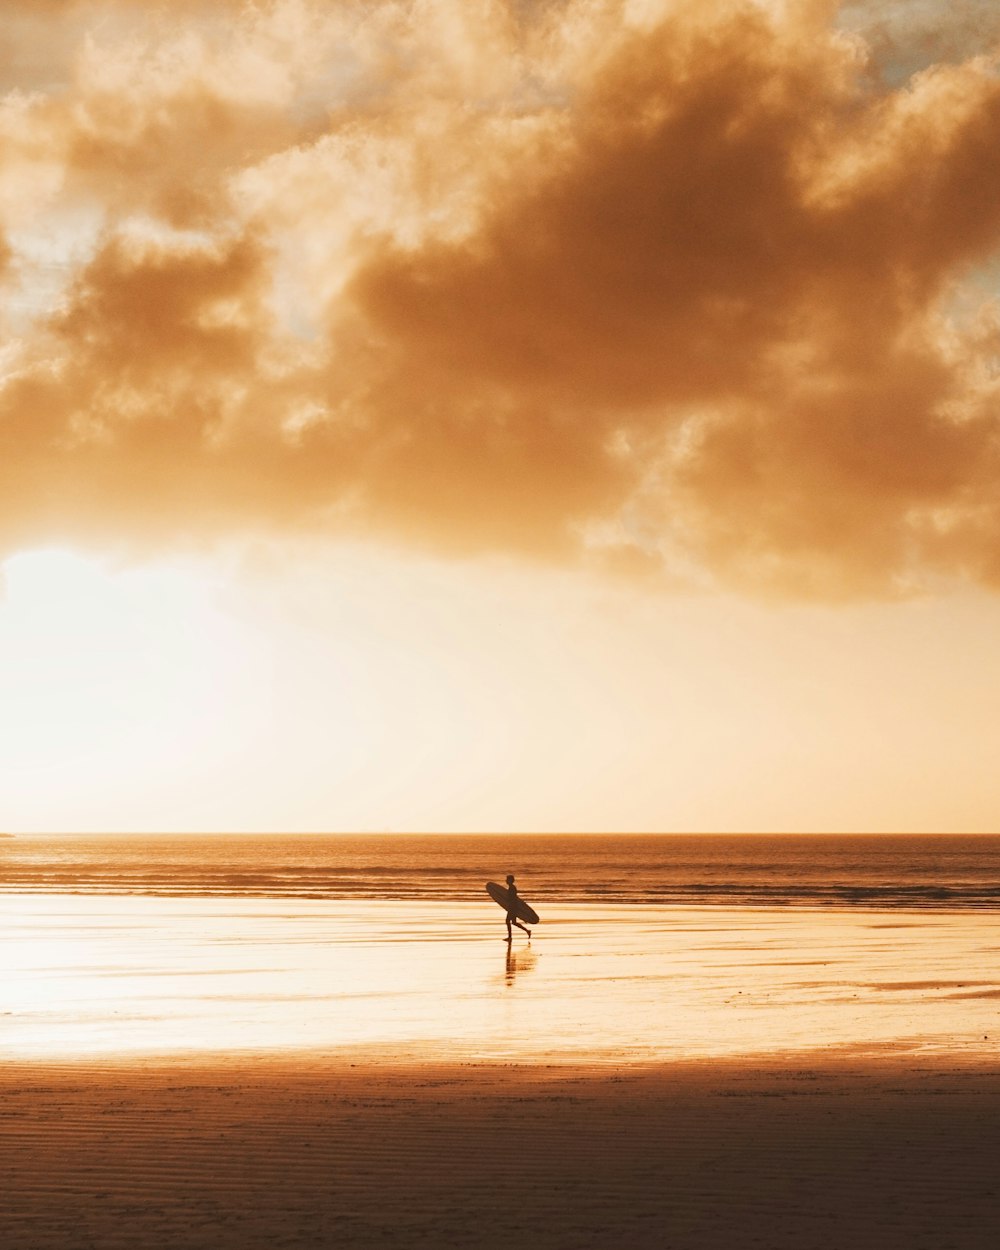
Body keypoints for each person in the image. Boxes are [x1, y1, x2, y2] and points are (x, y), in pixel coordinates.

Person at [503, 873, 532, 943]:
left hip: (512, 907)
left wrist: (510, 906)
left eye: (507, 880)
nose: (505, 881)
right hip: (513, 907)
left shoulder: (512, 888)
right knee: (513, 922)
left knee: (508, 921)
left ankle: (510, 937)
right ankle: (527, 931)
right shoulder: (511, 887)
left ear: (510, 881)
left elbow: (513, 898)